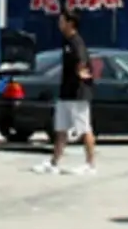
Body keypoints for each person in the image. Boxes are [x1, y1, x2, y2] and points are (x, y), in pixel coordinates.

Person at [38, 10, 98, 176]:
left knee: (84, 128)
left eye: (62, 21)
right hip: (66, 93)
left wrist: (82, 73)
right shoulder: (66, 41)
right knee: (61, 129)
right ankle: (53, 163)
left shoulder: (77, 42)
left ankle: (90, 165)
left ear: (70, 23)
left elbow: (83, 62)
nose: (59, 24)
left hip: (78, 94)